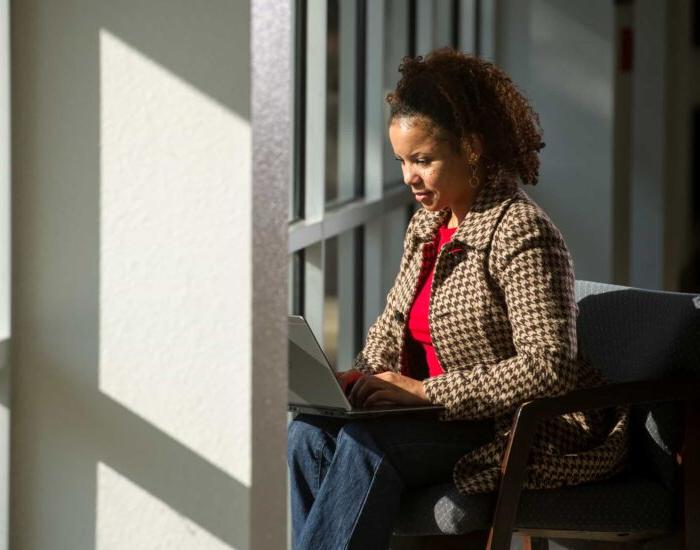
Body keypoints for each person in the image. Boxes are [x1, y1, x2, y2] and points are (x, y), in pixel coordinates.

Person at [287, 49, 628, 550]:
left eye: (423, 160)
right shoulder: (428, 225)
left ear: (470, 148)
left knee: (367, 447)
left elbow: (549, 365)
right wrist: (360, 382)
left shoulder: (521, 231)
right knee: (307, 434)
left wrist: (426, 393)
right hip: (425, 415)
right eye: (402, 161)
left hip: (498, 425)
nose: (409, 177)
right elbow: (394, 321)